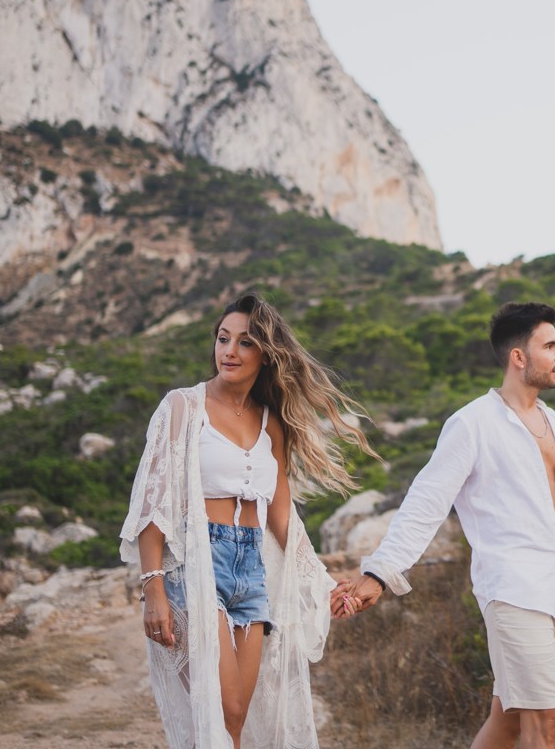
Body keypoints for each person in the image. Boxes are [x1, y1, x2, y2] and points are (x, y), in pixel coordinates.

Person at [121, 292, 372, 749]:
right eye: (223, 339)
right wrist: (152, 586)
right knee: (223, 707)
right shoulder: (182, 408)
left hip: (250, 568)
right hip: (196, 565)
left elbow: (280, 511)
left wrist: (319, 576)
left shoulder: (269, 422)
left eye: (244, 342)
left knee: (237, 718)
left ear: (266, 355)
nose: (229, 351)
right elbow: (153, 503)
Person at [334, 301, 555, 749]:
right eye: (550, 345)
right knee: (542, 722)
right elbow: (425, 502)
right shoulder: (471, 424)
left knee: (508, 718)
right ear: (518, 357)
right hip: (513, 591)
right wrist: (379, 573)